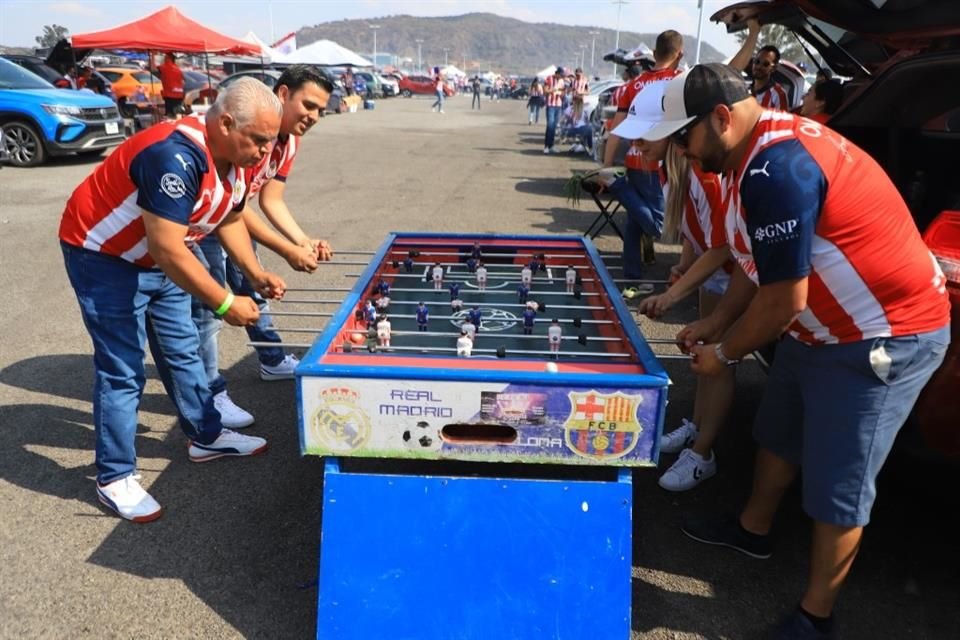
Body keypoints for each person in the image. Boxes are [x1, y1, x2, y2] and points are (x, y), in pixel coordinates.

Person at [646, 63, 950, 636]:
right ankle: (752, 532)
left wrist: (728, 352)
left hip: (881, 337)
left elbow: (784, 297)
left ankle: (817, 616)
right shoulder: (743, 158)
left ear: (719, 118)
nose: (681, 152)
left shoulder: (775, 169)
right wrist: (716, 324)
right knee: (778, 435)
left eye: (683, 138)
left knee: (841, 485)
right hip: (818, 330)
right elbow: (754, 263)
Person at [58, 78, 284, 522]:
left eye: (269, 141)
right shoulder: (173, 156)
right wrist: (224, 302)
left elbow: (231, 215)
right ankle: (114, 476)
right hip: (105, 255)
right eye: (258, 140)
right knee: (122, 368)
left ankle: (205, 434)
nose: (263, 151)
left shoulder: (236, 158)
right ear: (225, 123)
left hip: (158, 257)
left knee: (181, 350)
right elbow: (167, 248)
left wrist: (254, 274)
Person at [190, 66, 334, 428]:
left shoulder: (288, 141)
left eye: (321, 110)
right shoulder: (250, 132)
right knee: (210, 311)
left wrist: (303, 241)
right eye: (309, 105)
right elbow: (238, 207)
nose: (314, 117)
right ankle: (211, 392)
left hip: (232, 214)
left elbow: (270, 199)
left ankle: (271, 358)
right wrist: (288, 250)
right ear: (283, 94)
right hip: (205, 218)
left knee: (255, 285)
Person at [614, 80, 734, 491]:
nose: (637, 148)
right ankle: (696, 429)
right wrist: (683, 265)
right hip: (710, 271)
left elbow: (724, 247)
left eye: (643, 138)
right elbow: (694, 233)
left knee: (719, 362)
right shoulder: (673, 168)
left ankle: (704, 453)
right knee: (702, 358)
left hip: (736, 278)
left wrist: (672, 295)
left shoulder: (705, 173)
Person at [603, 30, 685, 286]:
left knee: (634, 222)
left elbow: (616, 128)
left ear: (654, 52)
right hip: (659, 162)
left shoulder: (633, 84)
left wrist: (606, 166)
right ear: (679, 54)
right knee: (657, 226)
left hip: (634, 158)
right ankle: (620, 188)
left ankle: (631, 275)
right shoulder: (678, 80)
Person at [729, 19, 790, 110]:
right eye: (757, 62)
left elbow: (784, 123)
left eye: (765, 64)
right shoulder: (745, 90)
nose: (759, 66)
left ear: (774, 68)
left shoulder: (778, 94)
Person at [154, 52, 185, 120]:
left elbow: (153, 68)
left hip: (170, 94)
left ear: (167, 59)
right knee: (178, 113)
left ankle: (170, 127)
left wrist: (152, 55)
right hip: (179, 94)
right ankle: (178, 124)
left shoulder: (165, 67)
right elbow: (182, 81)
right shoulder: (178, 69)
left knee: (169, 115)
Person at [543, 67, 566, 154]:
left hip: (558, 105)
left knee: (554, 127)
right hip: (550, 105)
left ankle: (551, 145)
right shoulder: (549, 78)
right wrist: (552, 90)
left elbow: (563, 92)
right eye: (560, 75)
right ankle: (546, 146)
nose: (561, 77)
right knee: (550, 125)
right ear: (557, 73)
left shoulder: (561, 81)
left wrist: (562, 94)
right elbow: (545, 91)